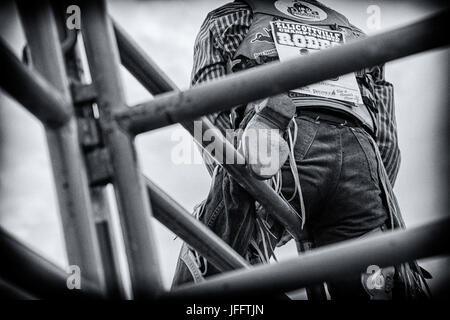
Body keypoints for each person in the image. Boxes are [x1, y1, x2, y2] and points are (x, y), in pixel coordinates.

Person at [172, 0, 429, 299]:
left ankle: (258, 162)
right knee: (375, 283)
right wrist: (372, 185)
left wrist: (234, 176)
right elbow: (387, 140)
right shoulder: (356, 34)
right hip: (360, 155)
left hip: (284, 139)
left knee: (214, 250)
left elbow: (207, 113)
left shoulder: (227, 19)